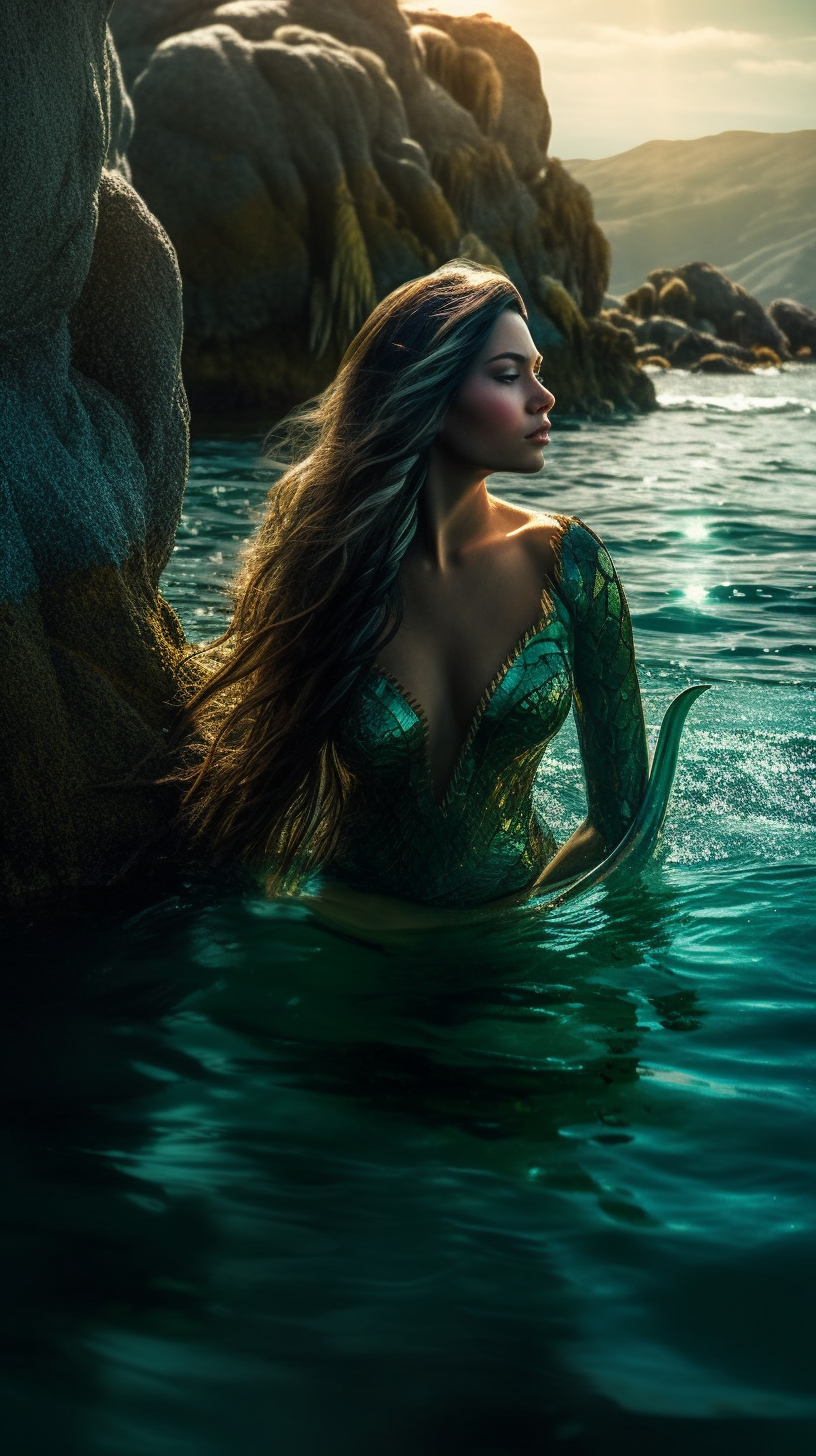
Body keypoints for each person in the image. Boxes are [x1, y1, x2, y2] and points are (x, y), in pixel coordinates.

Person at [179, 261, 649, 910]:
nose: (544, 397)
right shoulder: (330, 568)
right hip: (356, 950)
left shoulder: (569, 563)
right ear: (430, 392)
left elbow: (621, 822)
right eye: (510, 376)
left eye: (537, 372)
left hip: (525, 953)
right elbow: (254, 804)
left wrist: (530, 933)